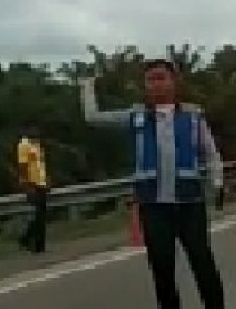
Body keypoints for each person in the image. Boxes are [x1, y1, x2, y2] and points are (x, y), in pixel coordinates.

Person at [81, 61, 226, 309]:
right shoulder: (136, 116)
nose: (157, 84)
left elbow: (210, 152)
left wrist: (218, 180)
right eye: (151, 79)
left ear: (174, 82)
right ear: (145, 85)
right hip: (153, 205)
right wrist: (87, 87)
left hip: (189, 202)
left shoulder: (192, 116)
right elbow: (93, 118)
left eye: (162, 78)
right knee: (162, 269)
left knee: (203, 263)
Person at [16, 126, 49, 254]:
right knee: (37, 215)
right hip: (32, 184)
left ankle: (38, 244)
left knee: (41, 215)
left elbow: (40, 164)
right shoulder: (24, 145)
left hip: (41, 183)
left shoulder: (37, 144)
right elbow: (23, 166)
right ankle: (31, 242)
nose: (37, 133)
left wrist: (46, 179)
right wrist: (27, 185)